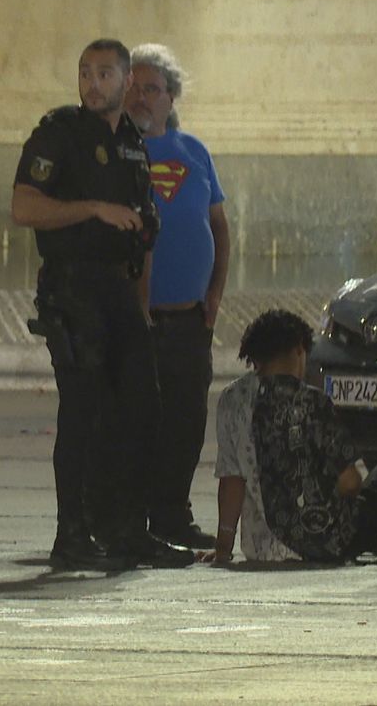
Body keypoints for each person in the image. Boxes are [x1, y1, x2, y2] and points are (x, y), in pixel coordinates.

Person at [11, 38, 192, 572]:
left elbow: (142, 229)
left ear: (126, 82)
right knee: (82, 413)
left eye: (105, 75)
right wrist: (93, 208)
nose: (94, 84)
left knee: (140, 408)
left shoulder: (134, 141)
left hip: (119, 291)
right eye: (86, 73)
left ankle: (127, 530)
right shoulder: (59, 133)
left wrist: (139, 307)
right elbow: (24, 206)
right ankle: (73, 533)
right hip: (75, 288)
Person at [204, 310, 377, 564]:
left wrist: (223, 549)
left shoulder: (230, 400)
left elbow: (231, 478)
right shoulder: (311, 401)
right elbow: (350, 482)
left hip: (262, 549)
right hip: (327, 544)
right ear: (299, 350)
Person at [125, 43, 229, 550]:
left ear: (171, 97)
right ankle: (130, 518)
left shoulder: (194, 152)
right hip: (138, 321)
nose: (140, 97)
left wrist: (215, 296)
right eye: (133, 87)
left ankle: (172, 514)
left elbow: (220, 227)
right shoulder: (119, 151)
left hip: (189, 321)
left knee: (186, 422)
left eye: (151, 88)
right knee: (137, 421)